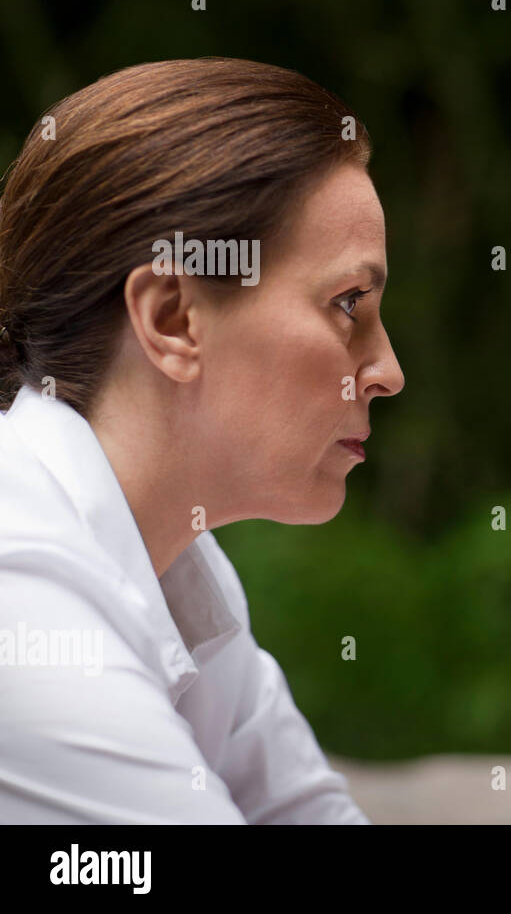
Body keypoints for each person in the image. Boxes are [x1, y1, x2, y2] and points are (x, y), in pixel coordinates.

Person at [0, 58, 403, 822]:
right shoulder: (20, 595)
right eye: (349, 302)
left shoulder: (179, 567)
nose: (388, 371)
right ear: (172, 320)